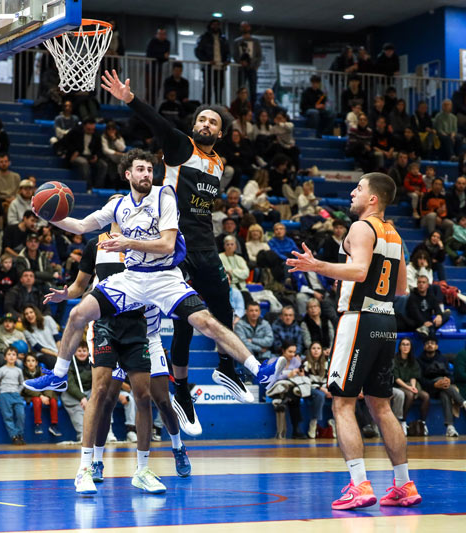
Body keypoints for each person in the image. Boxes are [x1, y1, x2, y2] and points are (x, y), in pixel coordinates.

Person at [97, 71, 275, 428]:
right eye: (201, 119)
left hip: (205, 243)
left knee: (224, 307)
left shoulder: (220, 164)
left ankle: (227, 368)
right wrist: (130, 99)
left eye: (212, 122)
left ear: (221, 133)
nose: (206, 124)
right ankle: (180, 390)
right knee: (185, 324)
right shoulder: (181, 147)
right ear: (194, 126)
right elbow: (158, 123)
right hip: (175, 245)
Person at [285, 173, 421, 509]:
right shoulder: (394, 234)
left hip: (359, 317)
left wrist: (317, 265)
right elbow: (401, 287)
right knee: (381, 405)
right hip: (386, 320)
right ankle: (403, 485)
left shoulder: (362, 228)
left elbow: (359, 271)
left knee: (342, 403)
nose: (352, 192)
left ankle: (359, 484)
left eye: (358, 188)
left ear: (373, 198)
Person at [39, 211, 191, 488]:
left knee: (159, 400)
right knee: (105, 396)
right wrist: (68, 294)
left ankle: (177, 448)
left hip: (147, 332)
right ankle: (94, 461)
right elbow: (79, 287)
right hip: (110, 326)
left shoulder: (149, 247)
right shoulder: (96, 247)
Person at [417, 335, 466, 437]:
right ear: (424, 347)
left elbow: (451, 376)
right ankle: (464, 403)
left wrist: (449, 380)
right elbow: (420, 380)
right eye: (427, 343)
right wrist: (434, 384)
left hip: (444, 388)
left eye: (432, 343)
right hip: (429, 388)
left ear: (436, 346)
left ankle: (450, 427)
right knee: (441, 380)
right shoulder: (419, 360)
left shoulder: (442, 358)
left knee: (445, 393)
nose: (430, 345)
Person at [266, 343, 306, 439]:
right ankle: (296, 430)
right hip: (276, 389)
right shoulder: (273, 361)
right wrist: (287, 376)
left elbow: (300, 377)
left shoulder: (296, 362)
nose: (292, 354)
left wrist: (301, 375)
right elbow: (269, 378)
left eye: (294, 352)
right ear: (283, 351)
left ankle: (296, 429)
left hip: (290, 389)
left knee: (294, 396)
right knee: (293, 397)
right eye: (290, 351)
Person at [392, 338, 430, 435]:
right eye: (403, 344)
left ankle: (422, 422)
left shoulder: (413, 360)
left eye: (407, 344)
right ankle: (403, 421)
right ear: (399, 347)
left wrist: (413, 386)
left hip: (411, 385)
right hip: (398, 385)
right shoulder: (394, 360)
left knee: (426, 396)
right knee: (410, 395)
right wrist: (409, 388)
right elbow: (396, 378)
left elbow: (414, 376)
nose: (405, 347)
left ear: (411, 347)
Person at [0, 346, 26, 445]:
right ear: (5, 357)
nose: (11, 356)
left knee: (21, 414)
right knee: (8, 416)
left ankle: (20, 434)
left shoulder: (19, 370)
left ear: (16, 357)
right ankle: (14, 436)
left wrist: (18, 391)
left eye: (13, 354)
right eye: (9, 354)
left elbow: (22, 383)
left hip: (16, 395)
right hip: (4, 395)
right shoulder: (2, 370)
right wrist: (1, 390)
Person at [21, 352, 61, 436]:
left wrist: (47, 396)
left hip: (45, 394)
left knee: (53, 400)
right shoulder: (23, 373)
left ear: (36, 362)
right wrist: (41, 396)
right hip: (32, 395)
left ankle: (54, 425)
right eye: (28, 361)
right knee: (37, 400)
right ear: (25, 363)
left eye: (33, 360)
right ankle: (38, 424)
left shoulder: (42, 371)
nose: (31, 363)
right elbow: (27, 388)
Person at [194, 20, 230, 104]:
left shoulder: (223, 38)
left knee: (219, 88)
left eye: (217, 25)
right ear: (210, 25)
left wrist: (227, 61)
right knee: (207, 88)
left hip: (220, 67)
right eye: (214, 25)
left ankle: (218, 106)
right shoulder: (204, 37)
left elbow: (228, 52)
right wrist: (207, 60)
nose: (216, 26)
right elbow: (198, 51)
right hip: (208, 67)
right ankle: (206, 106)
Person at [303, 342, 331, 438]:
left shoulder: (326, 363)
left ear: (322, 351)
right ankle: (314, 423)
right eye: (313, 348)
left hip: (324, 388)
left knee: (337, 395)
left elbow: (328, 379)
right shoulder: (306, 363)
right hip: (310, 388)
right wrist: (322, 389)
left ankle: (334, 422)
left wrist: (327, 389)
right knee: (320, 395)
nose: (316, 350)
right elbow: (307, 380)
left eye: (318, 348)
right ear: (310, 350)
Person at [232, 21, 262, 101]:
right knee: (241, 88)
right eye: (243, 26)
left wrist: (256, 66)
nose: (245, 28)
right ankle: (241, 106)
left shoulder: (255, 41)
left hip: (252, 68)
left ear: (249, 27)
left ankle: (252, 109)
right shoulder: (237, 41)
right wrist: (240, 62)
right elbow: (235, 55)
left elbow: (259, 55)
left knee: (253, 89)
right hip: (241, 68)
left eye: (246, 26)